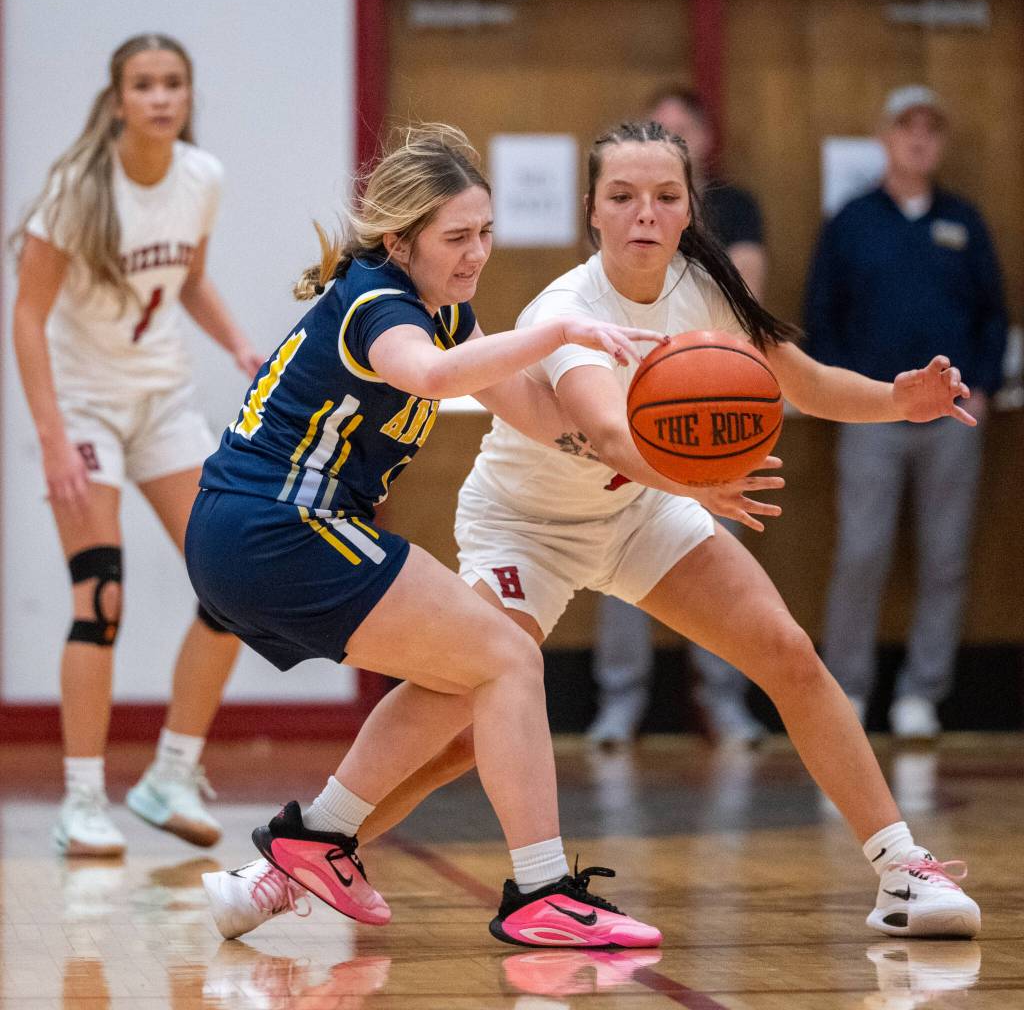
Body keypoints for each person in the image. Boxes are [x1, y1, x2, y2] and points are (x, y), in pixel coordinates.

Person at [269, 119, 976, 943]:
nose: (645, 212)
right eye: (623, 197)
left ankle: (902, 870)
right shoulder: (570, 308)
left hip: (640, 514)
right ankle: (295, 855)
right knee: (463, 715)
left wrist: (898, 400)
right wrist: (700, 480)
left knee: (787, 653)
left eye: (665, 197)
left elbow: (806, 382)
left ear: (687, 213)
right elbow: (607, 437)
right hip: (527, 526)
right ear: (592, 213)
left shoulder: (708, 290)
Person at [189, 124, 670, 948]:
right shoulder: (378, 302)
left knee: (467, 672)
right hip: (274, 524)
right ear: (398, 239)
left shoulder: (446, 314)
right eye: (456, 237)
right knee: (509, 656)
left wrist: (666, 463)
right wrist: (560, 329)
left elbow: (538, 416)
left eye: (485, 234)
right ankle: (544, 891)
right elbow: (434, 378)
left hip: (265, 532)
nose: (476, 253)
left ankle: (318, 838)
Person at [11, 34, 264, 857]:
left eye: (173, 84)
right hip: (84, 411)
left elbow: (187, 278)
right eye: (144, 85)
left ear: (188, 96)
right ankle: (82, 799)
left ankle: (171, 774)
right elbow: (27, 315)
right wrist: (52, 438)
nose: (160, 98)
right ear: (118, 99)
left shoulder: (202, 178)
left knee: (229, 584)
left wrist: (239, 346)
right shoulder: (78, 188)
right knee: (102, 596)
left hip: (163, 405)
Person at [804, 85, 1008, 739]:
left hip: (952, 420)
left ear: (940, 142)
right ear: (885, 137)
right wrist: (843, 390)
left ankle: (922, 694)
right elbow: (820, 315)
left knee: (945, 556)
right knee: (862, 552)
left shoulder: (964, 222)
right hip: (872, 417)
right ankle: (848, 693)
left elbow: (993, 313)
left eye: (931, 128)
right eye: (906, 127)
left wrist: (981, 381)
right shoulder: (851, 221)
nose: (919, 138)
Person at [589, 85, 769, 747]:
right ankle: (619, 704)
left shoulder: (733, 207)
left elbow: (747, 294)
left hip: (715, 409)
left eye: (679, 134)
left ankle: (725, 704)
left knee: (720, 567)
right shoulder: (625, 218)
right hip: (634, 410)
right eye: (656, 134)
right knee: (622, 557)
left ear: (704, 145)